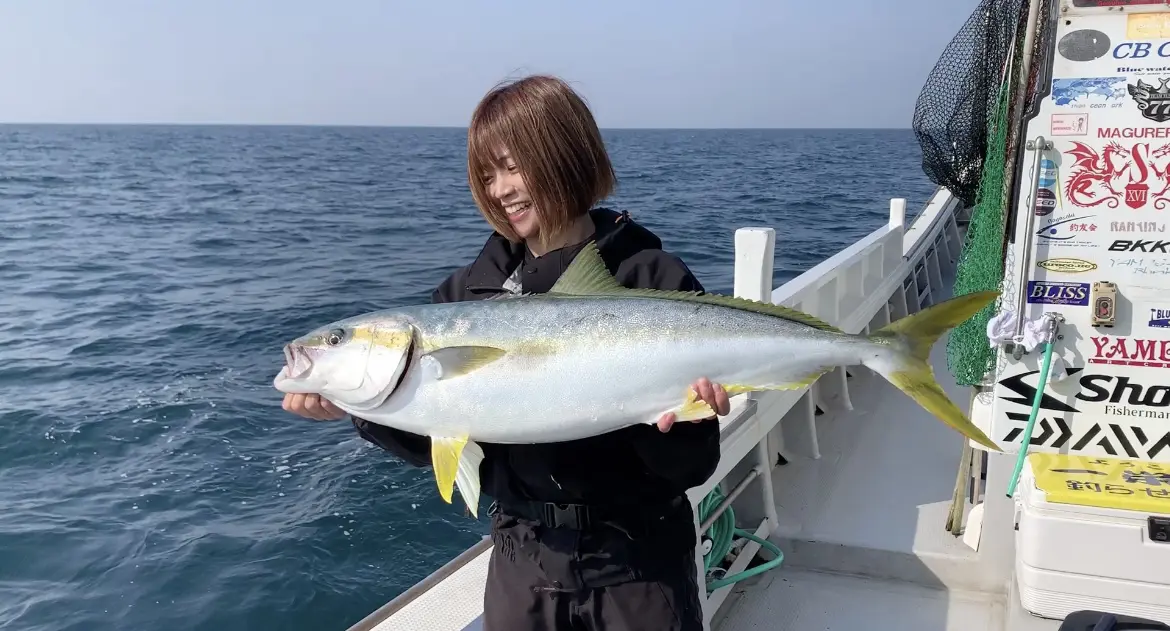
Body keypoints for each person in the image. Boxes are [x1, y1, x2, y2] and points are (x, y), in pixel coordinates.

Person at [282, 74, 728, 631]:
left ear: (565, 152)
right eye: (487, 176)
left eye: (513, 166)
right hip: (522, 560)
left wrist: (678, 419)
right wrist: (359, 410)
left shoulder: (650, 278)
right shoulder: (462, 298)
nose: (499, 191)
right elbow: (431, 439)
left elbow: (694, 464)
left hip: (640, 562)